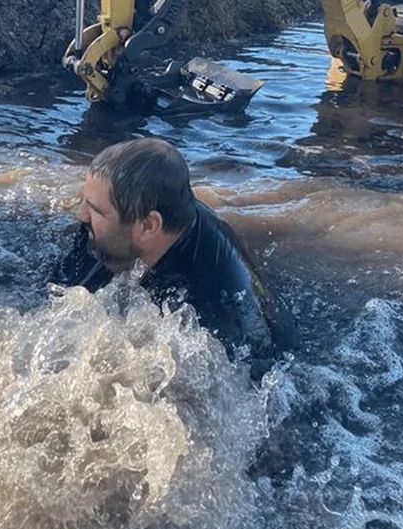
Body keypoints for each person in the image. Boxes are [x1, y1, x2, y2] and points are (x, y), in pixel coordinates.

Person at [54, 137, 278, 366]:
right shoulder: (142, 216)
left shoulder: (207, 322)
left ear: (149, 226)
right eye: (85, 201)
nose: (81, 215)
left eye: (95, 210)